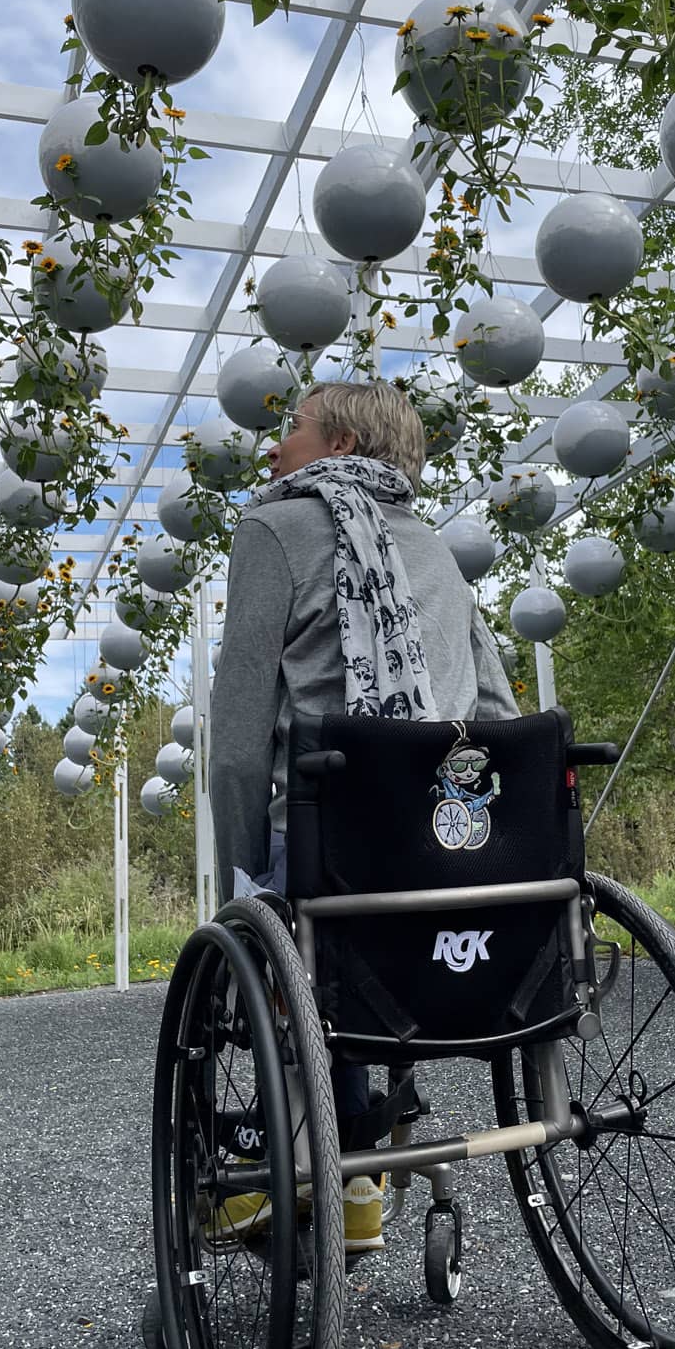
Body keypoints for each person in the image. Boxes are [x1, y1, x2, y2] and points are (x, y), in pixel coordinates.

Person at [209, 379, 519, 1250]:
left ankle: (266, 1187)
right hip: (454, 860)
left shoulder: (273, 529)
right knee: (352, 962)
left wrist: (237, 879)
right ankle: (360, 1192)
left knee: (274, 935)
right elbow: (495, 711)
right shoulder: (441, 551)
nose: (275, 447)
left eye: (292, 428)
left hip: (329, 856)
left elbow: (235, 745)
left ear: (340, 446)